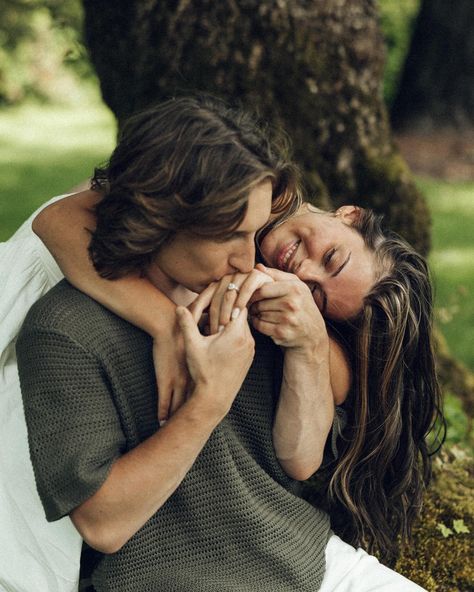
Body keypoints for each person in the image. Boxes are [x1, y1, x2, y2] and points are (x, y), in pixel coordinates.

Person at [5, 96, 437, 590]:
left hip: (287, 556)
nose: (302, 269)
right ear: (349, 214)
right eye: (332, 256)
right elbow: (57, 221)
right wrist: (170, 328)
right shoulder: (222, 177)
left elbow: (304, 446)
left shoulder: (276, 295)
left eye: (318, 294)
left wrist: (310, 340)